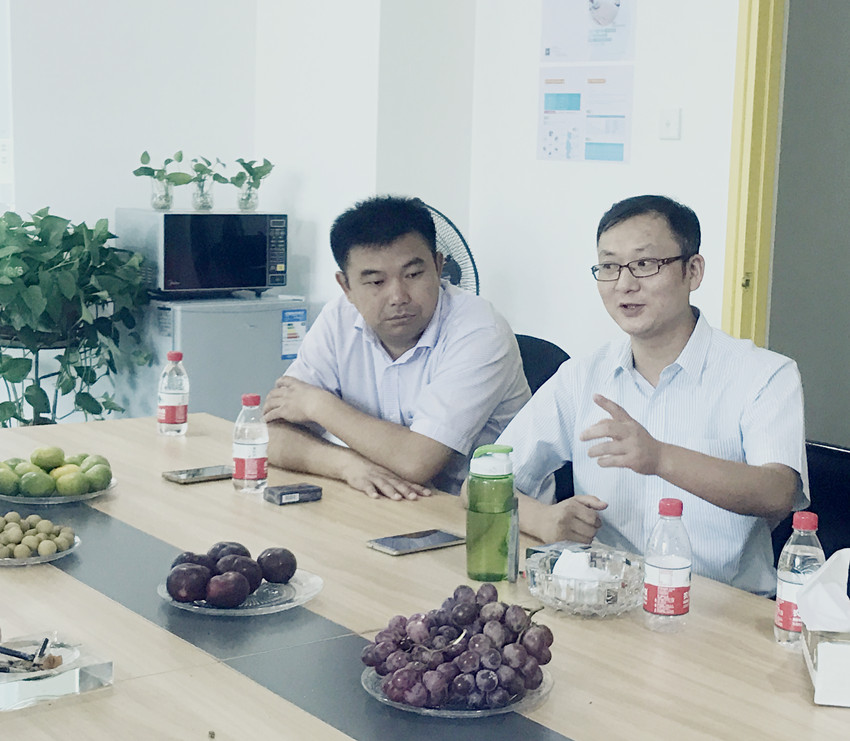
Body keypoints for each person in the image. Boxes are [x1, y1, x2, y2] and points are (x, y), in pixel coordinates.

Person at [498, 194, 808, 595]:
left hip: (721, 608)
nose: (625, 284)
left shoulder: (765, 375)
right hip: (605, 600)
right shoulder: (581, 377)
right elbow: (482, 481)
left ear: (693, 271)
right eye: (609, 266)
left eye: (645, 264)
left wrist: (660, 458)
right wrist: (544, 520)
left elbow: (778, 492)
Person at [263, 195, 530, 501]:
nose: (398, 296)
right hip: (386, 504)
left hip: (485, 512)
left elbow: (416, 461)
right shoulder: (338, 318)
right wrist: (346, 465)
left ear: (438, 266)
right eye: (376, 282)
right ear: (346, 287)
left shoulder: (480, 330)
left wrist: (318, 405)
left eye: (413, 275)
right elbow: (270, 434)